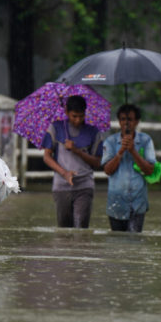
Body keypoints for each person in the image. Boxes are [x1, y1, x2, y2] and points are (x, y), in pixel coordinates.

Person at [41, 95, 103, 228]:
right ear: (66, 112)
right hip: (61, 186)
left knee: (81, 228)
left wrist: (77, 150)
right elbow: (47, 156)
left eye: (81, 116)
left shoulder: (93, 132)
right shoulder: (56, 128)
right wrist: (64, 173)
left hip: (84, 185)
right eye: (74, 116)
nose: (78, 120)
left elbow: (97, 163)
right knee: (64, 230)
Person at [101, 104, 156, 232]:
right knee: (117, 244)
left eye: (130, 119)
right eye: (123, 119)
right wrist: (120, 152)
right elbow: (107, 170)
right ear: (119, 121)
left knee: (134, 241)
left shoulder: (145, 140)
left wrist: (133, 151)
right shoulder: (110, 142)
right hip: (116, 202)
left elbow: (150, 170)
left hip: (137, 201)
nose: (126, 123)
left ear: (136, 122)